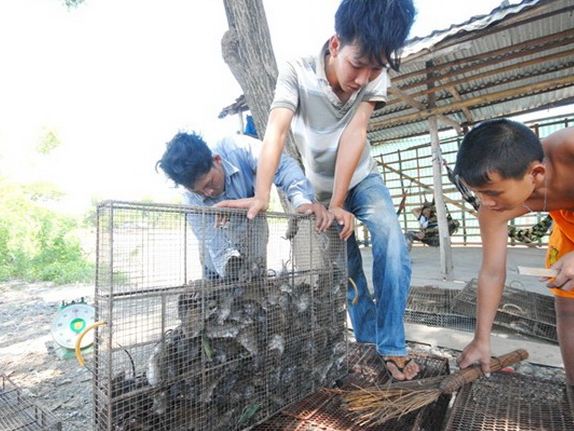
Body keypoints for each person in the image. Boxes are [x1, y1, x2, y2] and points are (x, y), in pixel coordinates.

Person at [217, 0, 419, 380]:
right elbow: (274, 133)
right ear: (335, 44)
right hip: (319, 190)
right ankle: (368, 342)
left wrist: (341, 203)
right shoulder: (296, 72)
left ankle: (392, 344)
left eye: (374, 69)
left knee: (391, 242)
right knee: (348, 270)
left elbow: (354, 134)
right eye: (357, 65)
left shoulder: (375, 75)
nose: (363, 79)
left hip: (361, 176)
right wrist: (262, 194)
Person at [453, 119, 574, 430]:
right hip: (571, 227)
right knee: (572, 310)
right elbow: (493, 272)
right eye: (478, 193)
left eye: (492, 192)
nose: (486, 202)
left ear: (536, 173)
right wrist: (481, 339)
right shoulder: (492, 208)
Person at [157, 131, 331, 280]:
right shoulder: (190, 202)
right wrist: (235, 270)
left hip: (253, 237)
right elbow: (217, 248)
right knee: (221, 301)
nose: (208, 193)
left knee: (258, 292)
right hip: (218, 262)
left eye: (209, 183)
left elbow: (283, 166)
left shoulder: (238, 148)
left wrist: (301, 200)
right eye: (199, 191)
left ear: (217, 160)